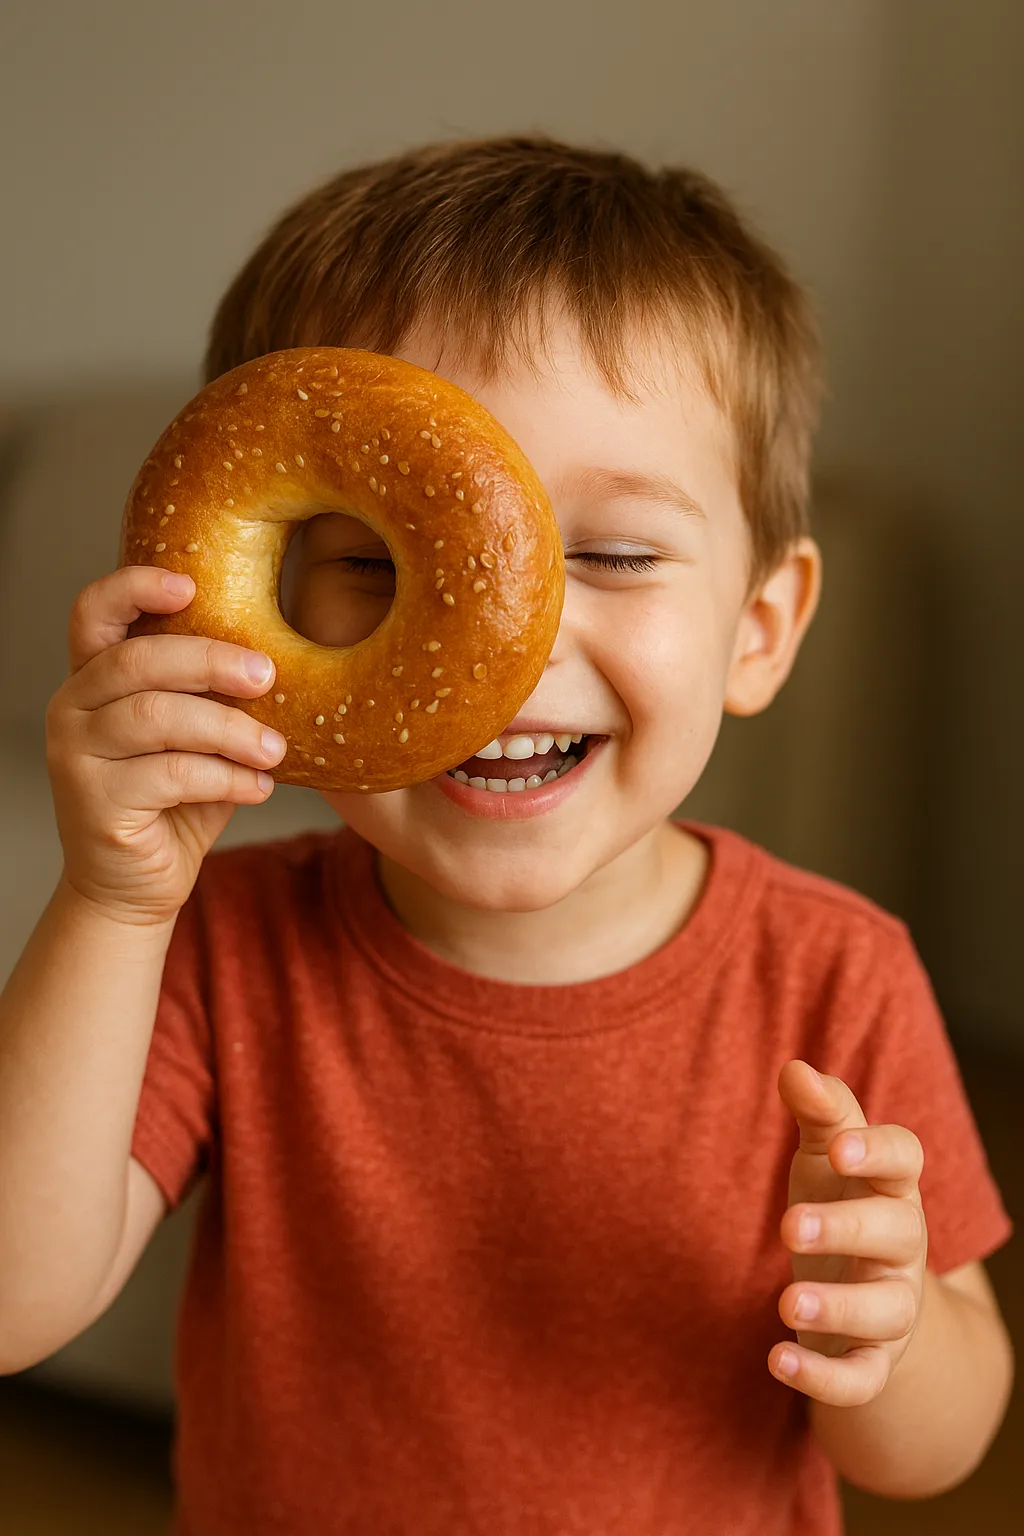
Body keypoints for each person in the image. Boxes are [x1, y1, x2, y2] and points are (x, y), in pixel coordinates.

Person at [0, 135, 1013, 1535]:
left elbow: (937, 1451)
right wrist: (112, 904)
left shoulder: (834, 975)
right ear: (261, 599)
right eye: (378, 562)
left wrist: (886, 1338)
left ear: (760, 627)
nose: (512, 654)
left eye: (612, 555)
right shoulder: (221, 944)